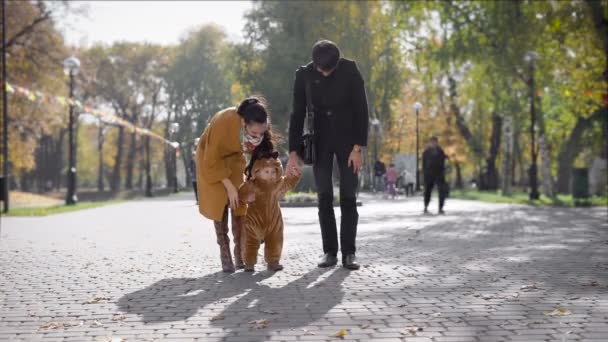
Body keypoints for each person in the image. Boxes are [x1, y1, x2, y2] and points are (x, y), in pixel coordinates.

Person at [286, 40, 369, 270]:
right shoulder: (303, 75)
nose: (324, 73)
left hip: (348, 142)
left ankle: (349, 253)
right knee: (324, 196)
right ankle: (329, 252)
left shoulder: (350, 69)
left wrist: (358, 147)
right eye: (321, 69)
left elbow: (362, 109)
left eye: (329, 70)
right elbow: (297, 113)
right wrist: (293, 152)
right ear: (314, 63)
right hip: (319, 141)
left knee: (348, 197)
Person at [195, 97, 275, 273]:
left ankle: (241, 252)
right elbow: (211, 157)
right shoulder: (225, 120)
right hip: (211, 160)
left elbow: (262, 157)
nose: (257, 137)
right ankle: (225, 252)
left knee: (240, 204)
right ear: (244, 123)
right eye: (254, 134)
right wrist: (229, 187)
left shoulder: (260, 127)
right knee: (220, 203)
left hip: (234, 160)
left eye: (261, 133)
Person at [238, 150, 301, 272]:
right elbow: (241, 192)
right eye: (266, 172)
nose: (270, 174)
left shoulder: (278, 183)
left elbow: (288, 183)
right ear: (257, 171)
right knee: (250, 242)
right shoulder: (252, 184)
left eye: (273, 172)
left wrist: (294, 176)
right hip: (254, 221)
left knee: (275, 241)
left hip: (274, 221)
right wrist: (246, 197)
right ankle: (249, 262)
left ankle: (273, 261)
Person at [422, 136, 448, 215]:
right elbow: (424, 163)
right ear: (430, 143)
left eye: (435, 142)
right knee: (427, 191)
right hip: (429, 174)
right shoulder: (426, 152)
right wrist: (425, 172)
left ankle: (440, 208)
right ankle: (426, 206)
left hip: (439, 173)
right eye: (432, 142)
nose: (433, 143)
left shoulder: (440, 151)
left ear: (437, 142)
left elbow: (443, 161)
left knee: (442, 191)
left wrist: (444, 169)